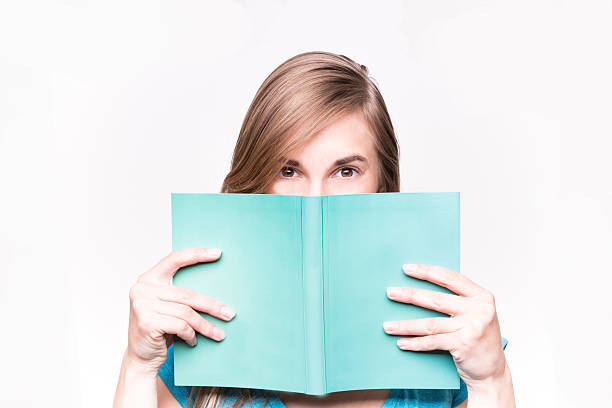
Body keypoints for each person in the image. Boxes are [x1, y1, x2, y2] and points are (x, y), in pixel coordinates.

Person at [113, 51, 516, 408]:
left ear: (382, 182)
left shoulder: (456, 343)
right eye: (288, 170)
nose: (315, 200)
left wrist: (490, 382)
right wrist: (137, 366)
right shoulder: (192, 348)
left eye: (346, 171)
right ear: (257, 179)